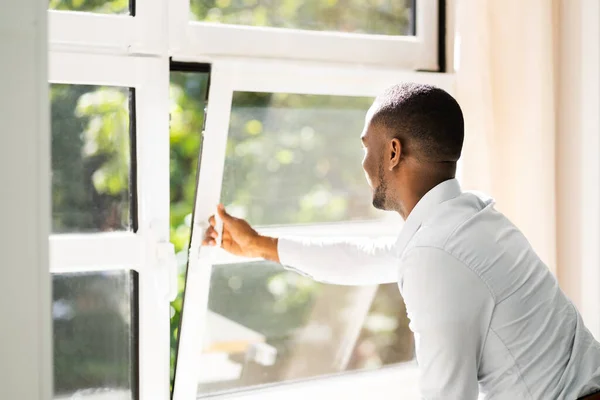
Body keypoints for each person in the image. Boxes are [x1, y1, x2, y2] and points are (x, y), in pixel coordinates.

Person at [202, 83, 600, 400]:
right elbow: (364, 259)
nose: (362, 164)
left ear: (393, 151)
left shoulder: (438, 253)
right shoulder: (469, 218)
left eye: (366, 147)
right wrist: (258, 245)